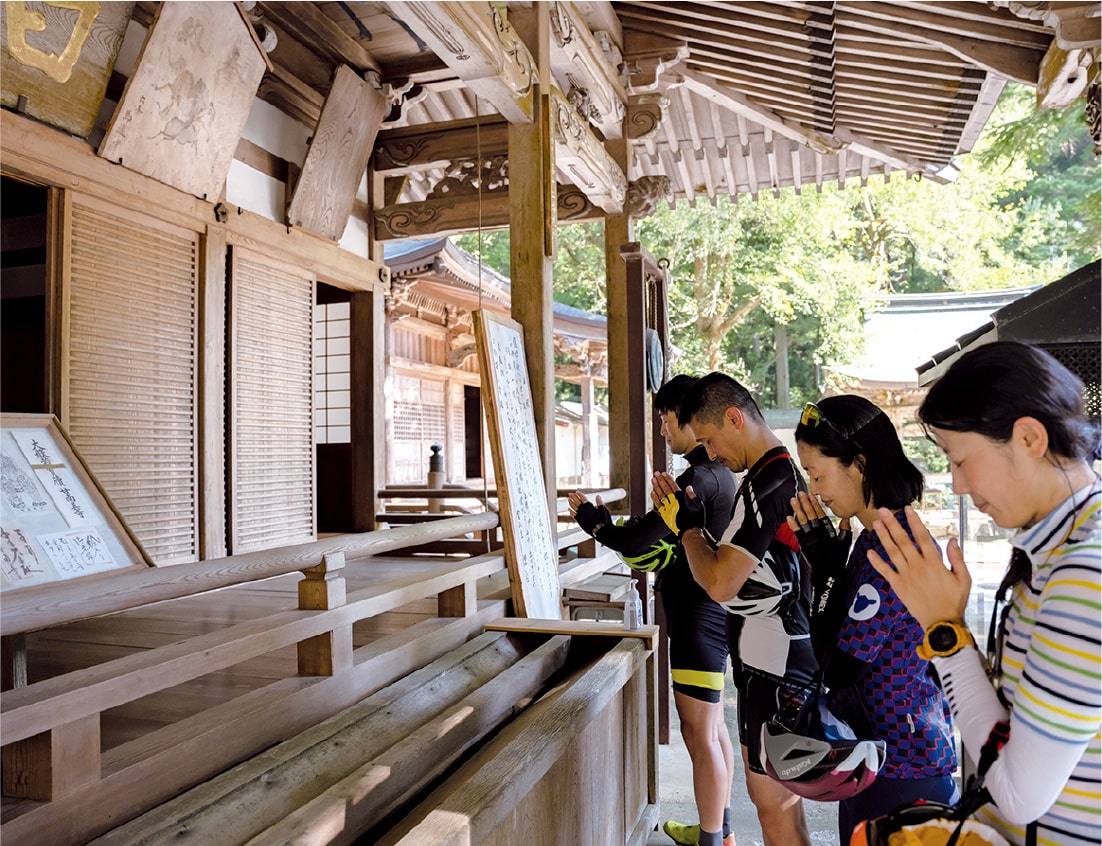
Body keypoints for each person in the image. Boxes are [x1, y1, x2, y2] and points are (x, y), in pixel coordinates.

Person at [866, 341, 1101, 846]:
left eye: (960, 459)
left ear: (1030, 438)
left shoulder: (1085, 575)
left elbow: (1019, 795)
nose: (956, 485)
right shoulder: (1063, 547)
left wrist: (945, 633)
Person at [568, 375, 738, 846]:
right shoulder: (716, 474)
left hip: (697, 617)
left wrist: (594, 521)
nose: (663, 431)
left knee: (697, 731)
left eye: (666, 420)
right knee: (712, 726)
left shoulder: (697, 480)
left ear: (690, 417)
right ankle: (719, 828)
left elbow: (639, 539)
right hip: (707, 613)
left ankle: (712, 839)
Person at [651, 371, 815, 846]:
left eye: (710, 440)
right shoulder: (762, 478)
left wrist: (687, 529)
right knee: (774, 809)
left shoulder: (772, 480)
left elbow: (721, 581)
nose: (713, 454)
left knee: (776, 811)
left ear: (734, 417)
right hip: (766, 662)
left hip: (779, 665)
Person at [786, 395, 957, 840]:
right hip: (880, 755)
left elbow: (838, 667)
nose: (814, 490)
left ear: (858, 464)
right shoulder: (873, 541)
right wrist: (829, 572)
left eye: (818, 474)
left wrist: (825, 575)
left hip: (902, 766)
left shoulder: (891, 550)